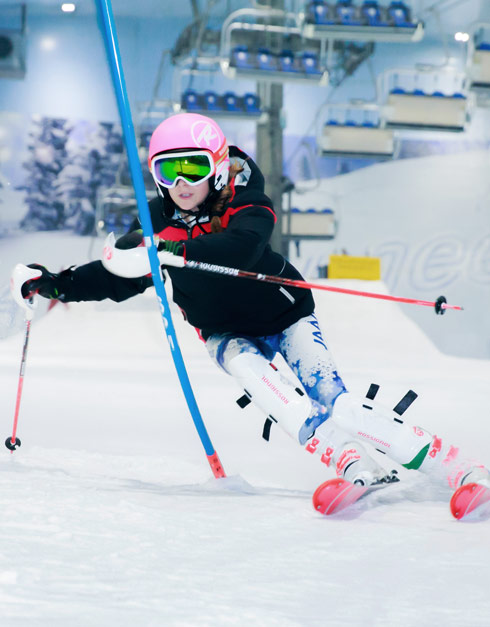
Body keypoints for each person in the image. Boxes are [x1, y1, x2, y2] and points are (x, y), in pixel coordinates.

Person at [19, 112, 489, 492]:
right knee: (279, 401)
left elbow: (243, 245)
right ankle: (353, 464)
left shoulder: (248, 201)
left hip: (285, 314)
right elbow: (112, 278)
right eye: (168, 170)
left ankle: (452, 466)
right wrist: (53, 285)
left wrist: (170, 253)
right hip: (223, 333)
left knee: (336, 404)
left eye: (194, 168)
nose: (182, 183)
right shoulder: (157, 227)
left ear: (218, 166)